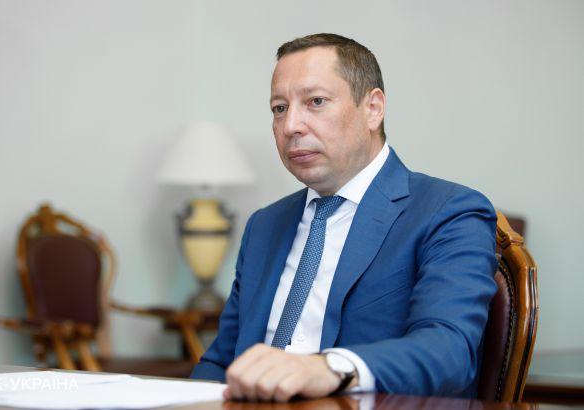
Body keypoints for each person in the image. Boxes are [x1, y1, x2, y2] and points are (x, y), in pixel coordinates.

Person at [190, 33, 498, 402]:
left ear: (373, 109)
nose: (290, 126)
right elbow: (221, 362)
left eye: (315, 102)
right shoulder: (264, 225)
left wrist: (328, 369)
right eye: (279, 108)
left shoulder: (448, 211)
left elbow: (448, 351)